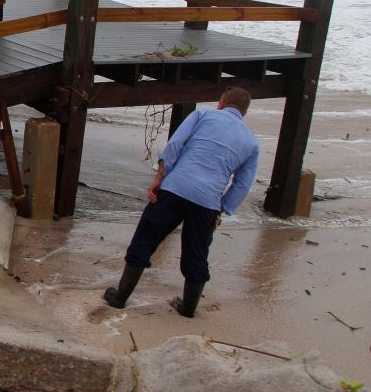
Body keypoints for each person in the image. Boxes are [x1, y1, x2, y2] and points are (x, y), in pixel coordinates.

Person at [103, 87, 259, 317]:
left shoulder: (202, 116)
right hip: (207, 202)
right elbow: (243, 184)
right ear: (244, 113)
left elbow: (175, 145)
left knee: (145, 238)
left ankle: (120, 297)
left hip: (175, 188)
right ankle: (188, 308)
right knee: (196, 253)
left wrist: (159, 177)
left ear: (221, 102)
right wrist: (223, 207)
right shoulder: (251, 143)